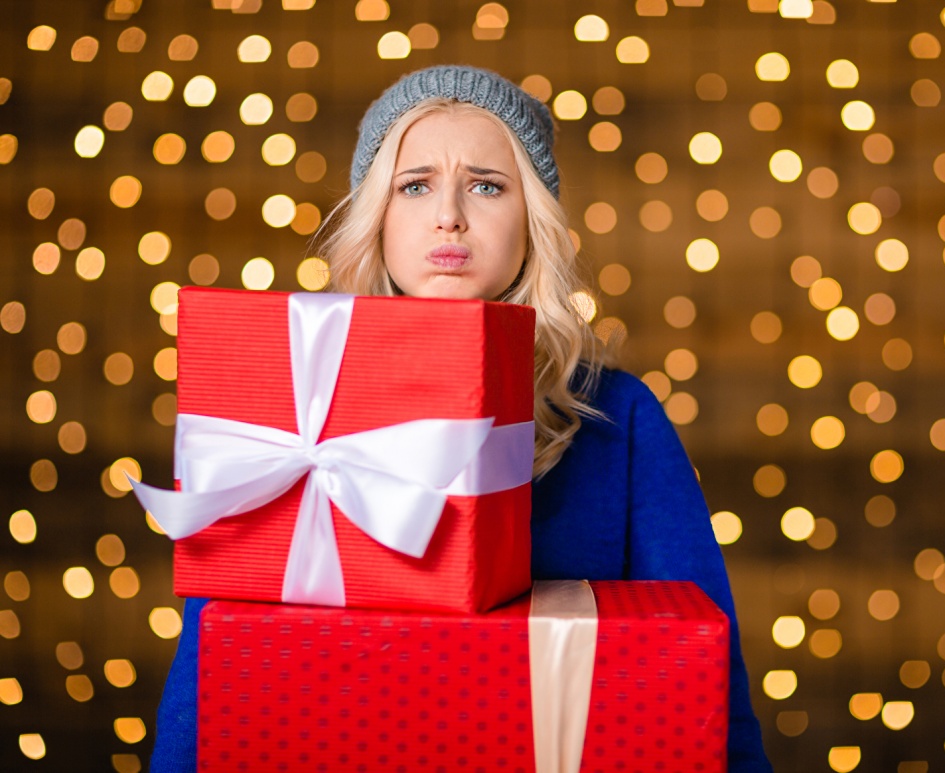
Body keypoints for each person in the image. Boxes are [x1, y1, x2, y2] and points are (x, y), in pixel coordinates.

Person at [150, 64, 772, 772]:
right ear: (377, 218)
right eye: (414, 185)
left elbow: (706, 678)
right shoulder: (296, 412)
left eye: (486, 184)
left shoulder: (619, 418)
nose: (449, 214)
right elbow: (212, 672)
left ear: (532, 220)